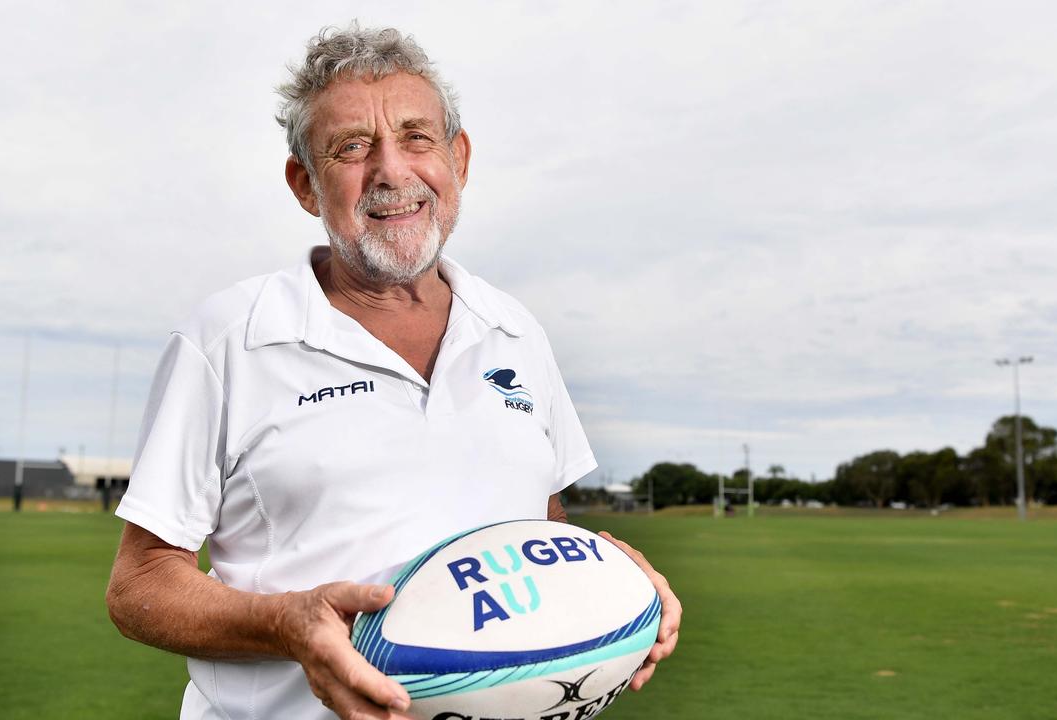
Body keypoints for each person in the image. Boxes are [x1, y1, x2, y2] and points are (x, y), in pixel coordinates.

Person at [106, 24, 680, 720]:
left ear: (457, 158)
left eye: (416, 137)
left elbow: (543, 528)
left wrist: (617, 571)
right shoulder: (228, 338)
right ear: (305, 184)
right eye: (351, 147)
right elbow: (140, 583)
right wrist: (285, 624)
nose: (391, 171)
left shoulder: (517, 332)